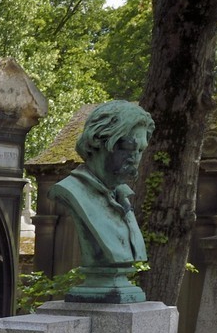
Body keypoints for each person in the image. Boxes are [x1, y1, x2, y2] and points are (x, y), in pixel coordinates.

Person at [49, 100, 155, 303]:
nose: (135, 158)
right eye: (128, 147)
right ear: (99, 142)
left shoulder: (123, 198)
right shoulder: (72, 191)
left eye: (141, 150)